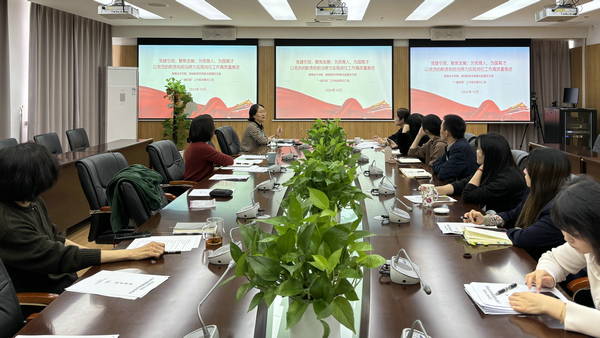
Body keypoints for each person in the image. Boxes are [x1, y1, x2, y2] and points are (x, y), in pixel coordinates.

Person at [0, 143, 165, 294]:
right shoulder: (10, 225)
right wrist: (129, 254)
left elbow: (55, 239)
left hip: (66, 282)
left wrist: (117, 254)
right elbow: (59, 256)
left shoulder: (31, 199)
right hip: (44, 295)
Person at [508, 175, 600, 337]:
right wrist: (547, 272)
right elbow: (555, 258)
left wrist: (554, 307)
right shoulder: (590, 244)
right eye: (564, 231)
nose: (566, 239)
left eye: (573, 233)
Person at [464, 147, 570, 261]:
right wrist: (485, 220)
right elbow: (513, 215)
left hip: (546, 269)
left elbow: (524, 238)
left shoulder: (556, 210)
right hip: (527, 258)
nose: (524, 170)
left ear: (542, 173)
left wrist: (503, 231)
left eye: (528, 168)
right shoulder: (533, 192)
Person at [436, 133, 526, 213]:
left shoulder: (505, 180)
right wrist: (436, 190)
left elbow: (468, 195)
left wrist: (481, 168)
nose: (476, 151)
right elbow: (466, 182)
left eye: (479, 149)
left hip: (502, 226)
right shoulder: (496, 167)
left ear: (489, 154)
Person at [184, 114, 234, 182]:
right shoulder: (202, 147)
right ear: (207, 129)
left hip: (200, 183)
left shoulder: (193, 144)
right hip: (195, 186)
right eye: (213, 125)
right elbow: (229, 161)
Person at [431, 114, 478, 181]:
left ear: (447, 133)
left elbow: (443, 174)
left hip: (464, 189)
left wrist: (443, 167)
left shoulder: (459, 149)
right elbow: (435, 163)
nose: (440, 131)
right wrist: (443, 167)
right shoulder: (454, 145)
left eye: (441, 128)